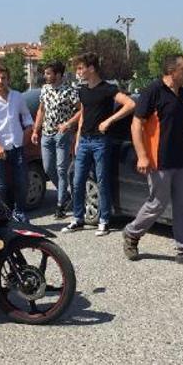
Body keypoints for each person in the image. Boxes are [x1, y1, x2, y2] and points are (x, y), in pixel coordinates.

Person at [122, 54, 183, 265]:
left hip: (182, 158)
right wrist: (142, 156)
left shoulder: (181, 93)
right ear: (172, 71)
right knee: (157, 204)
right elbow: (136, 125)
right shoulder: (152, 91)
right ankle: (131, 233)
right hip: (158, 158)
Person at [61, 53, 135, 236]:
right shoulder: (83, 90)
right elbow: (84, 113)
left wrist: (109, 120)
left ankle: (104, 220)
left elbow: (130, 104)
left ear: (91, 68)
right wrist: (77, 138)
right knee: (78, 181)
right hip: (84, 140)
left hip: (101, 141)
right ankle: (77, 218)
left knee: (102, 181)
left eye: (80, 68)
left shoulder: (108, 89)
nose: (78, 72)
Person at [0, 64, 34, 224]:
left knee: (22, 182)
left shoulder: (17, 96)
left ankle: (20, 213)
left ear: (8, 79)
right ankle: (2, 216)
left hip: (17, 146)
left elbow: (26, 116)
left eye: (3, 78)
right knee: (0, 186)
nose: (1, 81)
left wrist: (29, 129)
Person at [31, 61, 80, 219]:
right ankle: (65, 193)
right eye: (45, 73)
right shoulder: (45, 89)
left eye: (48, 73)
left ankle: (60, 205)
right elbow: (41, 110)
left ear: (58, 75)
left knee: (61, 169)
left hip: (62, 134)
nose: (45, 76)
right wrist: (35, 131)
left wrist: (69, 124)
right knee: (48, 168)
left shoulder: (69, 91)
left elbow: (81, 110)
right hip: (46, 134)